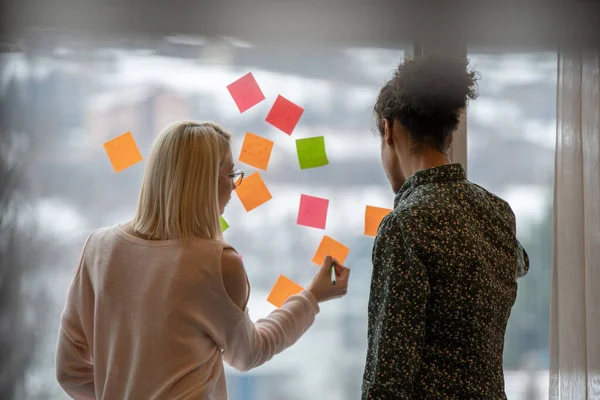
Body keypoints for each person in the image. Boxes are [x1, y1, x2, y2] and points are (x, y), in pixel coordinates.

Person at [55, 121, 351, 399]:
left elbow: (69, 371)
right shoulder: (219, 263)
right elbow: (249, 353)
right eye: (231, 175)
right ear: (203, 181)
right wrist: (312, 297)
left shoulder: (99, 248)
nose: (236, 187)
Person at [361, 54, 530, 399]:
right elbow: (520, 262)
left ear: (388, 130)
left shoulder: (405, 226)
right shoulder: (497, 212)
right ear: (449, 135)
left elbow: (387, 379)